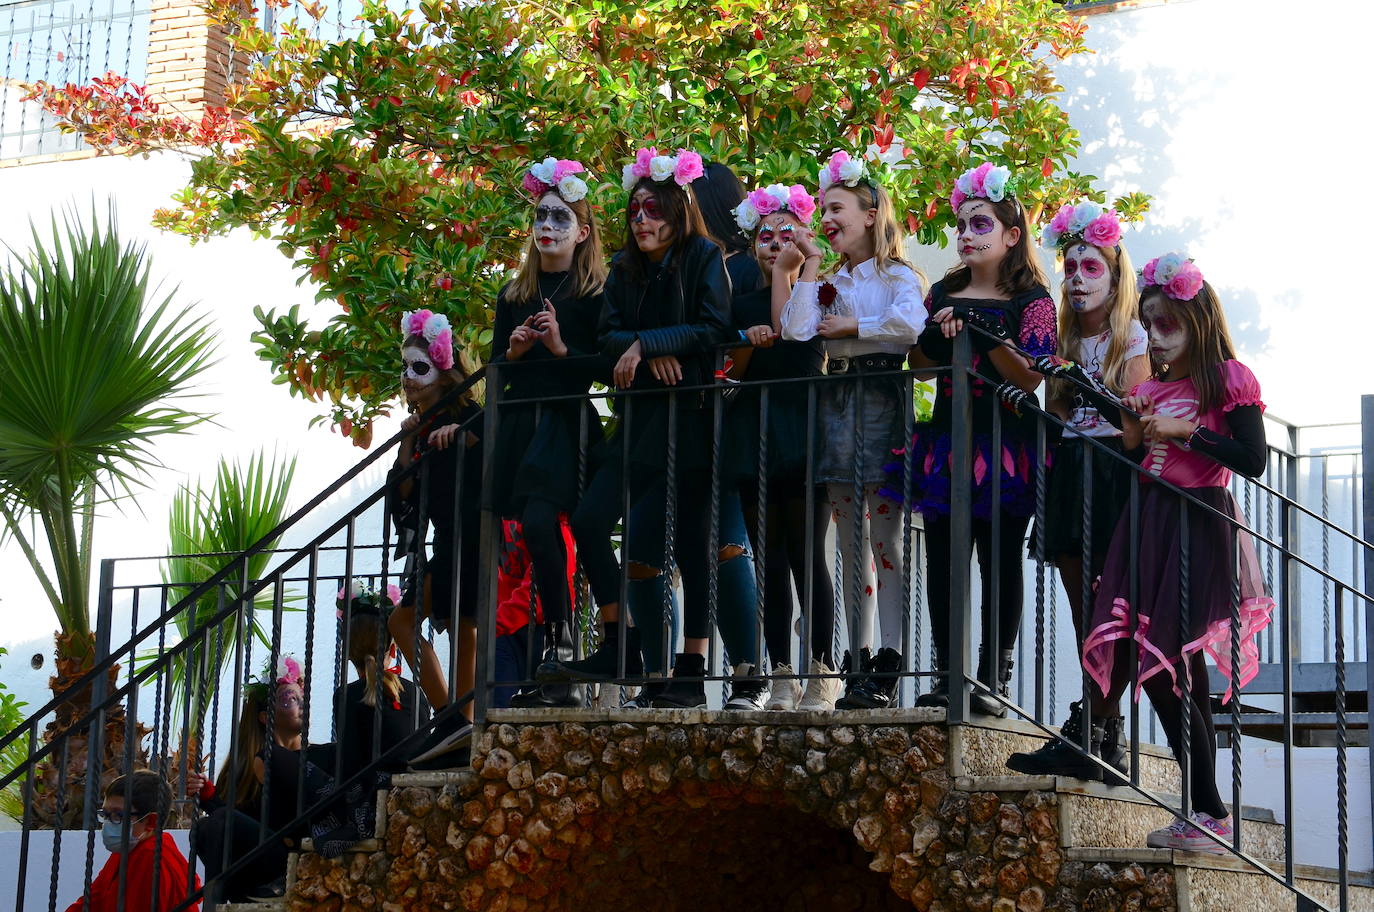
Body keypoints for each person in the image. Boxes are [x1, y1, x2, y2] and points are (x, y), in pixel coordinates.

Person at [545, 145, 757, 709]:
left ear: (677, 212)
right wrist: (641, 348)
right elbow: (606, 338)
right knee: (592, 520)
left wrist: (650, 344)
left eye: (654, 209)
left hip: (691, 419)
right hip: (641, 422)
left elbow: (715, 327)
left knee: (695, 545)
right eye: (635, 210)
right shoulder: (621, 269)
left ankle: (691, 666)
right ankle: (622, 642)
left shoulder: (704, 258)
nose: (642, 220)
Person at [1078, 254, 1272, 853]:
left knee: (1174, 663)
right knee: (1153, 663)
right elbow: (1140, 456)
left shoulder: (1229, 379)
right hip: (1150, 524)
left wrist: (1189, 433)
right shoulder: (1153, 387)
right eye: (1151, 324)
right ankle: (1204, 809)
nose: (1157, 337)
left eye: (1168, 324)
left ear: (1198, 320)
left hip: (1198, 523)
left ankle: (1210, 812)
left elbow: (1252, 460)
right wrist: (1135, 427)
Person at [903, 163, 1057, 716]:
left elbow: (1033, 374)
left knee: (999, 558)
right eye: (962, 224)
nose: (966, 234)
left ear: (1011, 235)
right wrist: (942, 338)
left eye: (980, 224)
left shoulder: (1033, 298)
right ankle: (949, 674)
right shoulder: (944, 289)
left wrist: (982, 335)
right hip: (948, 441)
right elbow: (917, 364)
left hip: (1007, 443)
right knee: (944, 558)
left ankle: (995, 677)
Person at [777, 150, 925, 709]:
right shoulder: (831, 276)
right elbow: (797, 330)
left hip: (881, 398)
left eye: (835, 207)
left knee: (885, 539)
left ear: (870, 214)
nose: (827, 216)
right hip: (837, 401)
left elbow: (909, 327)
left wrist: (853, 327)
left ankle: (889, 659)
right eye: (823, 209)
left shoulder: (898, 275)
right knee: (849, 543)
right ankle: (855, 659)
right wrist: (809, 263)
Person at [1007, 202, 1149, 779]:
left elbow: (1136, 430)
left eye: (1091, 267)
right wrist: (1051, 388)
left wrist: (1093, 391)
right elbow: (1060, 413)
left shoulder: (1133, 335)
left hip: (1116, 472)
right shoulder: (1061, 336)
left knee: (1115, 611)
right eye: (1069, 266)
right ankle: (1098, 732)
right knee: (1083, 611)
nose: (1077, 277)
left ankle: (1094, 727)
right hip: (1072, 469)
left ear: (1116, 278)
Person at [485, 157, 608, 709]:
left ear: (582, 232)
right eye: (541, 216)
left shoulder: (593, 293)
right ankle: (544, 651)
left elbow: (600, 368)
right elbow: (492, 371)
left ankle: (561, 635)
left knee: (542, 521)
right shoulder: (513, 295)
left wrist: (559, 346)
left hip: (563, 422)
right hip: (521, 421)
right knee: (524, 534)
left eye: (561, 218)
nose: (548, 226)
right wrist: (513, 352)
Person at [727, 182, 839, 710]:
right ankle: (780, 672)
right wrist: (743, 346)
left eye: (785, 233)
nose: (774, 242)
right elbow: (732, 368)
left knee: (805, 555)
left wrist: (786, 275)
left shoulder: (820, 292)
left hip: (803, 434)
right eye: (765, 236)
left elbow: (793, 339)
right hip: (754, 435)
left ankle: (822, 669)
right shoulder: (738, 300)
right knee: (767, 559)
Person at [386, 312, 483, 761]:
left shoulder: (472, 415)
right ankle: (449, 715)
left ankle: (461, 720)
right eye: (404, 368)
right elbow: (403, 497)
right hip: (445, 537)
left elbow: (493, 450)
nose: (408, 378)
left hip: (476, 534)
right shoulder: (418, 430)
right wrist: (408, 444)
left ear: (446, 374)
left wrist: (462, 434)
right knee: (401, 621)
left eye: (419, 368)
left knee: (466, 624)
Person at [190, 656, 322, 902]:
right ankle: (229, 900)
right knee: (203, 828)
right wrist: (209, 797)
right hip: (256, 866)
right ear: (265, 717)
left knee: (218, 821)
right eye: (292, 700)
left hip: (293, 856)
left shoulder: (319, 756)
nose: (303, 705)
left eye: (303, 698)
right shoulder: (245, 767)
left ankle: (215, 904)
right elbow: (237, 825)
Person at [67, 770, 201, 912]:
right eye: (105, 814)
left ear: (151, 821)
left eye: (118, 815)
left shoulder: (152, 859)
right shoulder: (128, 848)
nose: (108, 823)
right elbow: (93, 900)